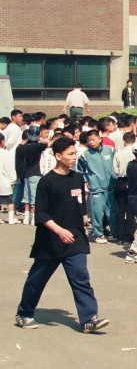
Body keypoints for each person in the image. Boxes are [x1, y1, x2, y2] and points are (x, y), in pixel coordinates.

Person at [14, 136, 109, 333]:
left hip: (74, 238)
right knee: (37, 279)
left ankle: (89, 318)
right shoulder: (46, 182)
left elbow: (79, 206)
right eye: (70, 154)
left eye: (75, 153)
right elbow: (41, 213)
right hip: (50, 239)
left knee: (81, 277)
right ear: (58, 156)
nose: (74, 157)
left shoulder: (77, 177)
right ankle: (24, 313)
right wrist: (58, 230)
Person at [77, 129, 115, 244]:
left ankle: (113, 232)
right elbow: (79, 170)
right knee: (97, 212)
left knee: (111, 211)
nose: (91, 142)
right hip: (96, 187)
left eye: (93, 139)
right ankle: (98, 233)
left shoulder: (110, 150)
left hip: (110, 186)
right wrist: (87, 180)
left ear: (100, 138)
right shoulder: (85, 154)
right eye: (89, 140)